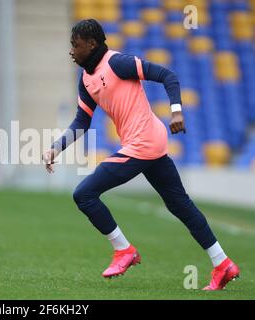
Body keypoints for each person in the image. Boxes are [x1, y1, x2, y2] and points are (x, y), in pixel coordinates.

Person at [42, 19, 239, 291]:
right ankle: (223, 263)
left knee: (84, 194)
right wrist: (57, 147)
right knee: (180, 205)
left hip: (143, 143)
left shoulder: (117, 63)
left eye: (75, 45)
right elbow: (81, 122)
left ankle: (124, 250)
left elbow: (167, 75)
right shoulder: (86, 79)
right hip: (148, 143)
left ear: (91, 44)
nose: (71, 51)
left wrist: (177, 111)